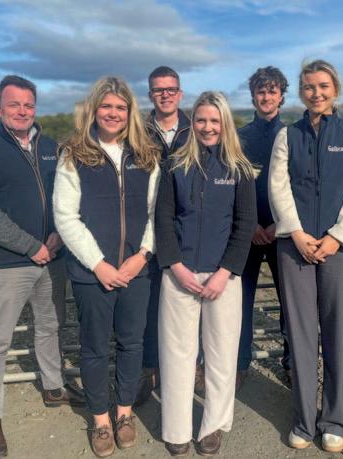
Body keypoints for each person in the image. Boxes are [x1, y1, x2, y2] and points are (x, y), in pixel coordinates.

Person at [53, 77, 160, 457]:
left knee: (132, 343)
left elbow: (156, 212)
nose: (113, 114)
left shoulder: (146, 156)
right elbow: (65, 216)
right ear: (94, 110)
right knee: (95, 346)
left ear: (130, 113)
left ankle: (124, 412)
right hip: (91, 274)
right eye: (106, 106)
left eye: (120, 107)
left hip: (136, 270)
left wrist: (142, 255)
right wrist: (98, 264)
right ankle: (100, 418)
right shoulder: (74, 154)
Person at [269, 60, 343, 452]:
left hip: (339, 248)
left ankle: (336, 421)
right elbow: (278, 187)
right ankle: (304, 420)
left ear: (336, 89)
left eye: (323, 85)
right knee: (299, 334)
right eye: (309, 87)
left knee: (339, 332)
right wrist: (295, 232)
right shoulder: (287, 136)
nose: (317, 93)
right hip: (294, 247)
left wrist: (336, 236)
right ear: (301, 91)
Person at [156, 91, 256, 456]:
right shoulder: (174, 166)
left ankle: (213, 425)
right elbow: (163, 219)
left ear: (225, 123)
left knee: (221, 353)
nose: (208, 127)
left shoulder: (240, 169)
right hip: (179, 275)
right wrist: (175, 265)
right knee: (177, 354)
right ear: (192, 123)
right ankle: (177, 428)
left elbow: (245, 225)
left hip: (222, 278)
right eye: (201, 120)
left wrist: (224, 272)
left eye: (215, 120)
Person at [0, 75, 84, 458]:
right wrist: (31, 246)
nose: (22, 111)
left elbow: (68, 196)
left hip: (54, 257)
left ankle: (53, 386)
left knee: (51, 325)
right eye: (14, 104)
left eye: (28, 104)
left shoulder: (51, 148)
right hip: (8, 262)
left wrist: (59, 236)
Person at [135, 66, 190, 406]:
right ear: (150, 94)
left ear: (180, 93)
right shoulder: (136, 131)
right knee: (148, 302)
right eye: (159, 90)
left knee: (187, 298)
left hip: (186, 226)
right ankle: (148, 368)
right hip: (146, 227)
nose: (165, 94)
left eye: (170, 89)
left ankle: (190, 367)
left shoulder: (195, 128)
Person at [236, 66, 292, 389]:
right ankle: (239, 362)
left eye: (272, 91)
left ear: (281, 96)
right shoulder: (239, 137)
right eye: (261, 91)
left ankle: (292, 363)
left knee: (290, 302)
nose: (266, 96)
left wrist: (277, 224)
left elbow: (297, 186)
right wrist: (252, 224)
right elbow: (233, 184)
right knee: (241, 301)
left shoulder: (292, 135)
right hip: (248, 229)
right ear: (253, 96)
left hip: (281, 230)